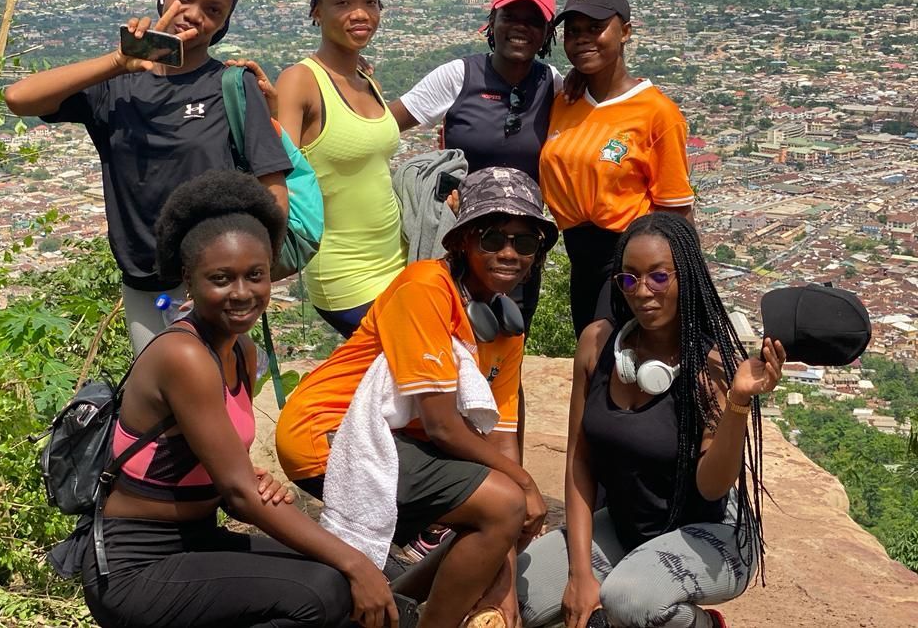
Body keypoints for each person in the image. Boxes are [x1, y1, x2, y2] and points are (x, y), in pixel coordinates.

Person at [81, 170, 397, 628]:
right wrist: (356, 562)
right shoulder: (185, 356)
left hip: (196, 541)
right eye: (221, 279)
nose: (242, 293)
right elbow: (238, 495)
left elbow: (230, 480)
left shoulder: (241, 351)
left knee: (342, 577)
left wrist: (250, 479)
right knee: (326, 589)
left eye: (255, 275)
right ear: (189, 280)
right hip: (136, 564)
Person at [276, 166, 560, 628]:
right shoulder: (426, 287)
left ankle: (393, 607)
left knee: (503, 510)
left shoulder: (505, 327)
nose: (510, 253)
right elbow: (442, 425)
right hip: (329, 433)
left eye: (525, 242)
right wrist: (525, 487)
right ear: (464, 241)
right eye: (493, 238)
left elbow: (501, 439)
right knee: (505, 503)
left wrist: (504, 582)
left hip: (399, 439)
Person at [4, 0, 290, 355]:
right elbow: (18, 98)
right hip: (144, 277)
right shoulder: (116, 87)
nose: (193, 14)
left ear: (223, 23)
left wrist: (253, 275)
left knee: (214, 384)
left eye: (213, 10)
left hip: (218, 279)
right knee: (162, 385)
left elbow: (272, 188)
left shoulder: (232, 86)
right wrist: (119, 61)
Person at [516, 212, 780, 628]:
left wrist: (738, 402)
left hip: (711, 532)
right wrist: (579, 573)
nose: (642, 292)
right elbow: (580, 460)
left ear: (686, 278)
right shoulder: (597, 343)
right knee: (519, 594)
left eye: (658, 278)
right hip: (627, 528)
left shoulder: (711, 366)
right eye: (629, 279)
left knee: (627, 601)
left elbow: (712, 486)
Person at [390, 0, 560, 334]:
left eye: (533, 21)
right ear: (492, 22)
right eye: (510, 16)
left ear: (547, 33)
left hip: (520, 247)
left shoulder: (552, 84)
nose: (520, 27)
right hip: (461, 237)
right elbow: (382, 127)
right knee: (450, 333)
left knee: (510, 337)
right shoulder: (459, 76)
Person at [256, 0, 406, 339]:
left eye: (370, 2)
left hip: (397, 260)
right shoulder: (301, 80)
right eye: (342, 3)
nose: (360, 13)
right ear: (316, 12)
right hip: (345, 273)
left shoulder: (366, 79)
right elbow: (277, 169)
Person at [538, 0, 695, 337]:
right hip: (580, 257)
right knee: (592, 351)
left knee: (607, 350)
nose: (582, 39)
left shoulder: (656, 112)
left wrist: (684, 282)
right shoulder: (565, 102)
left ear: (625, 32)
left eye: (595, 28)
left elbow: (677, 209)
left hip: (630, 258)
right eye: (573, 31)